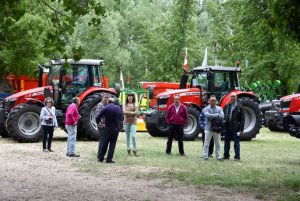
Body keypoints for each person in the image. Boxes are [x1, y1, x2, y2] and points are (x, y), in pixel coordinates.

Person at [96, 98, 122, 163]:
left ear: (108, 102)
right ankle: (109, 159)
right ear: (113, 102)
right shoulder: (118, 108)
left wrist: (99, 123)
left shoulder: (105, 108)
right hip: (115, 128)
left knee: (104, 143)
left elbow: (98, 117)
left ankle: (101, 158)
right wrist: (119, 126)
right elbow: (121, 117)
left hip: (107, 128)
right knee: (112, 144)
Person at [223, 92, 245, 161]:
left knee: (236, 142)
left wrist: (241, 130)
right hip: (227, 126)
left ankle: (237, 157)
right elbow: (223, 115)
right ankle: (226, 156)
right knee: (226, 142)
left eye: (234, 97)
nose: (232, 98)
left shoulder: (240, 107)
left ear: (236, 98)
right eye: (231, 96)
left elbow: (243, 119)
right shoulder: (227, 105)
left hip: (236, 127)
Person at [202, 95, 224, 161]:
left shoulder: (220, 108)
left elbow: (222, 116)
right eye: (212, 101)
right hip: (208, 128)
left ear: (216, 101)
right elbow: (207, 115)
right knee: (206, 143)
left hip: (217, 129)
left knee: (218, 143)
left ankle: (218, 156)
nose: (213, 102)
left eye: (214, 101)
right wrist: (217, 115)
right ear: (209, 101)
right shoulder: (205, 109)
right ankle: (205, 156)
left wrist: (213, 116)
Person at [95, 93, 109, 160]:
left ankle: (102, 155)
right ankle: (99, 155)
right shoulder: (99, 105)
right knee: (102, 141)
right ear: (102, 98)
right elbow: (98, 116)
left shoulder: (108, 105)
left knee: (105, 141)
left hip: (107, 125)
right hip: (101, 126)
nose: (106, 99)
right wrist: (101, 124)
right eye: (105, 97)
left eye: (107, 97)